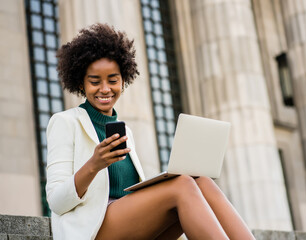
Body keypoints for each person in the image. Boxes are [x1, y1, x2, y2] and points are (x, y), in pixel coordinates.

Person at [46, 23, 255, 240]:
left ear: (124, 81)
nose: (105, 89)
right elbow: (57, 202)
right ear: (81, 84)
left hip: (131, 226)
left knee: (201, 181)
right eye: (95, 81)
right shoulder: (64, 122)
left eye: (113, 80)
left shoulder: (125, 130)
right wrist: (94, 165)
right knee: (182, 184)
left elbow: (132, 196)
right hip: (92, 230)